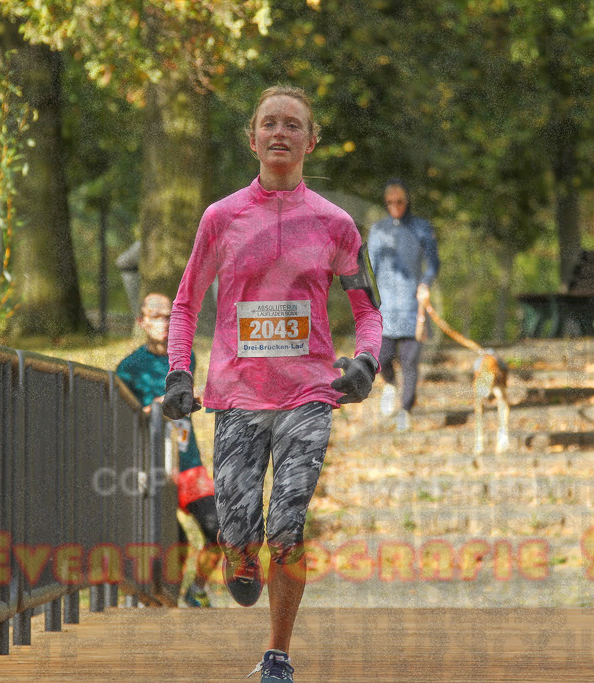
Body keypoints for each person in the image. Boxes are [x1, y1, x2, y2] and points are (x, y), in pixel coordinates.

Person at [163, 85, 382, 682]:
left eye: (293, 125)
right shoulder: (221, 218)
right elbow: (183, 306)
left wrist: (367, 362)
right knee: (239, 527)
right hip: (237, 394)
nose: (280, 133)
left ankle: (277, 656)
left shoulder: (337, 225)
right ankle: (239, 551)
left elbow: (368, 312)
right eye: (269, 124)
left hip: (309, 393)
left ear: (311, 141)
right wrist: (179, 370)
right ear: (253, 138)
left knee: (287, 522)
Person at [115, 292, 221, 608]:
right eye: (156, 316)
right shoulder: (129, 368)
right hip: (152, 467)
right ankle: (165, 603)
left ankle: (197, 590)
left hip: (188, 461)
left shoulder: (186, 357)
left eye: (170, 317)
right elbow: (122, 418)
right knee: (175, 543)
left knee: (218, 532)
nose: (164, 323)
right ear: (141, 321)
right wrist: (154, 410)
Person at [367, 179, 440, 431]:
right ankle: (389, 384)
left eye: (399, 201)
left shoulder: (422, 228)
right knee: (382, 357)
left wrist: (426, 283)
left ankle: (406, 410)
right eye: (390, 202)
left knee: (409, 362)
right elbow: (370, 268)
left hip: (412, 307)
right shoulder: (378, 231)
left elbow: (433, 263)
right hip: (385, 307)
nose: (394, 206)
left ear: (407, 201)